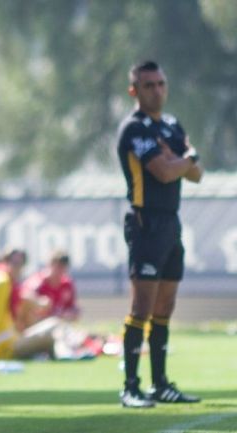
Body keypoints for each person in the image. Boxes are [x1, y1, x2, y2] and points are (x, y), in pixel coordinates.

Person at [117, 61, 203, 408]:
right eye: (149, 84)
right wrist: (187, 159)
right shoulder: (134, 130)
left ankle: (160, 384)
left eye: (161, 83)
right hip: (145, 224)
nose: (157, 90)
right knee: (142, 305)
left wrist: (184, 160)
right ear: (134, 90)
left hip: (171, 222)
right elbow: (165, 173)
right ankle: (131, 387)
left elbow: (196, 174)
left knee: (165, 305)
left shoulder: (171, 125)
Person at [18, 250, 79, 330]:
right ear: (50, 265)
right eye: (58, 266)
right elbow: (22, 297)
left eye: (63, 267)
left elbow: (73, 309)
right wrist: (38, 301)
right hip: (35, 328)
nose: (60, 270)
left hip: (57, 328)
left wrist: (71, 313)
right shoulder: (37, 282)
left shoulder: (67, 285)